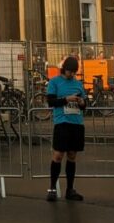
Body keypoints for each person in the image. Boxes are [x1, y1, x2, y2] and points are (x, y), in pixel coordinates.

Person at [46, 55, 86, 202]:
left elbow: (84, 105)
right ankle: (52, 188)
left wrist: (81, 101)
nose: (72, 75)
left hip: (76, 122)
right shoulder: (55, 82)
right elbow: (50, 101)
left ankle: (70, 189)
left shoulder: (78, 84)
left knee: (72, 156)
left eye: (74, 72)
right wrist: (66, 99)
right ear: (64, 69)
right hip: (62, 122)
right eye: (70, 71)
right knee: (57, 155)